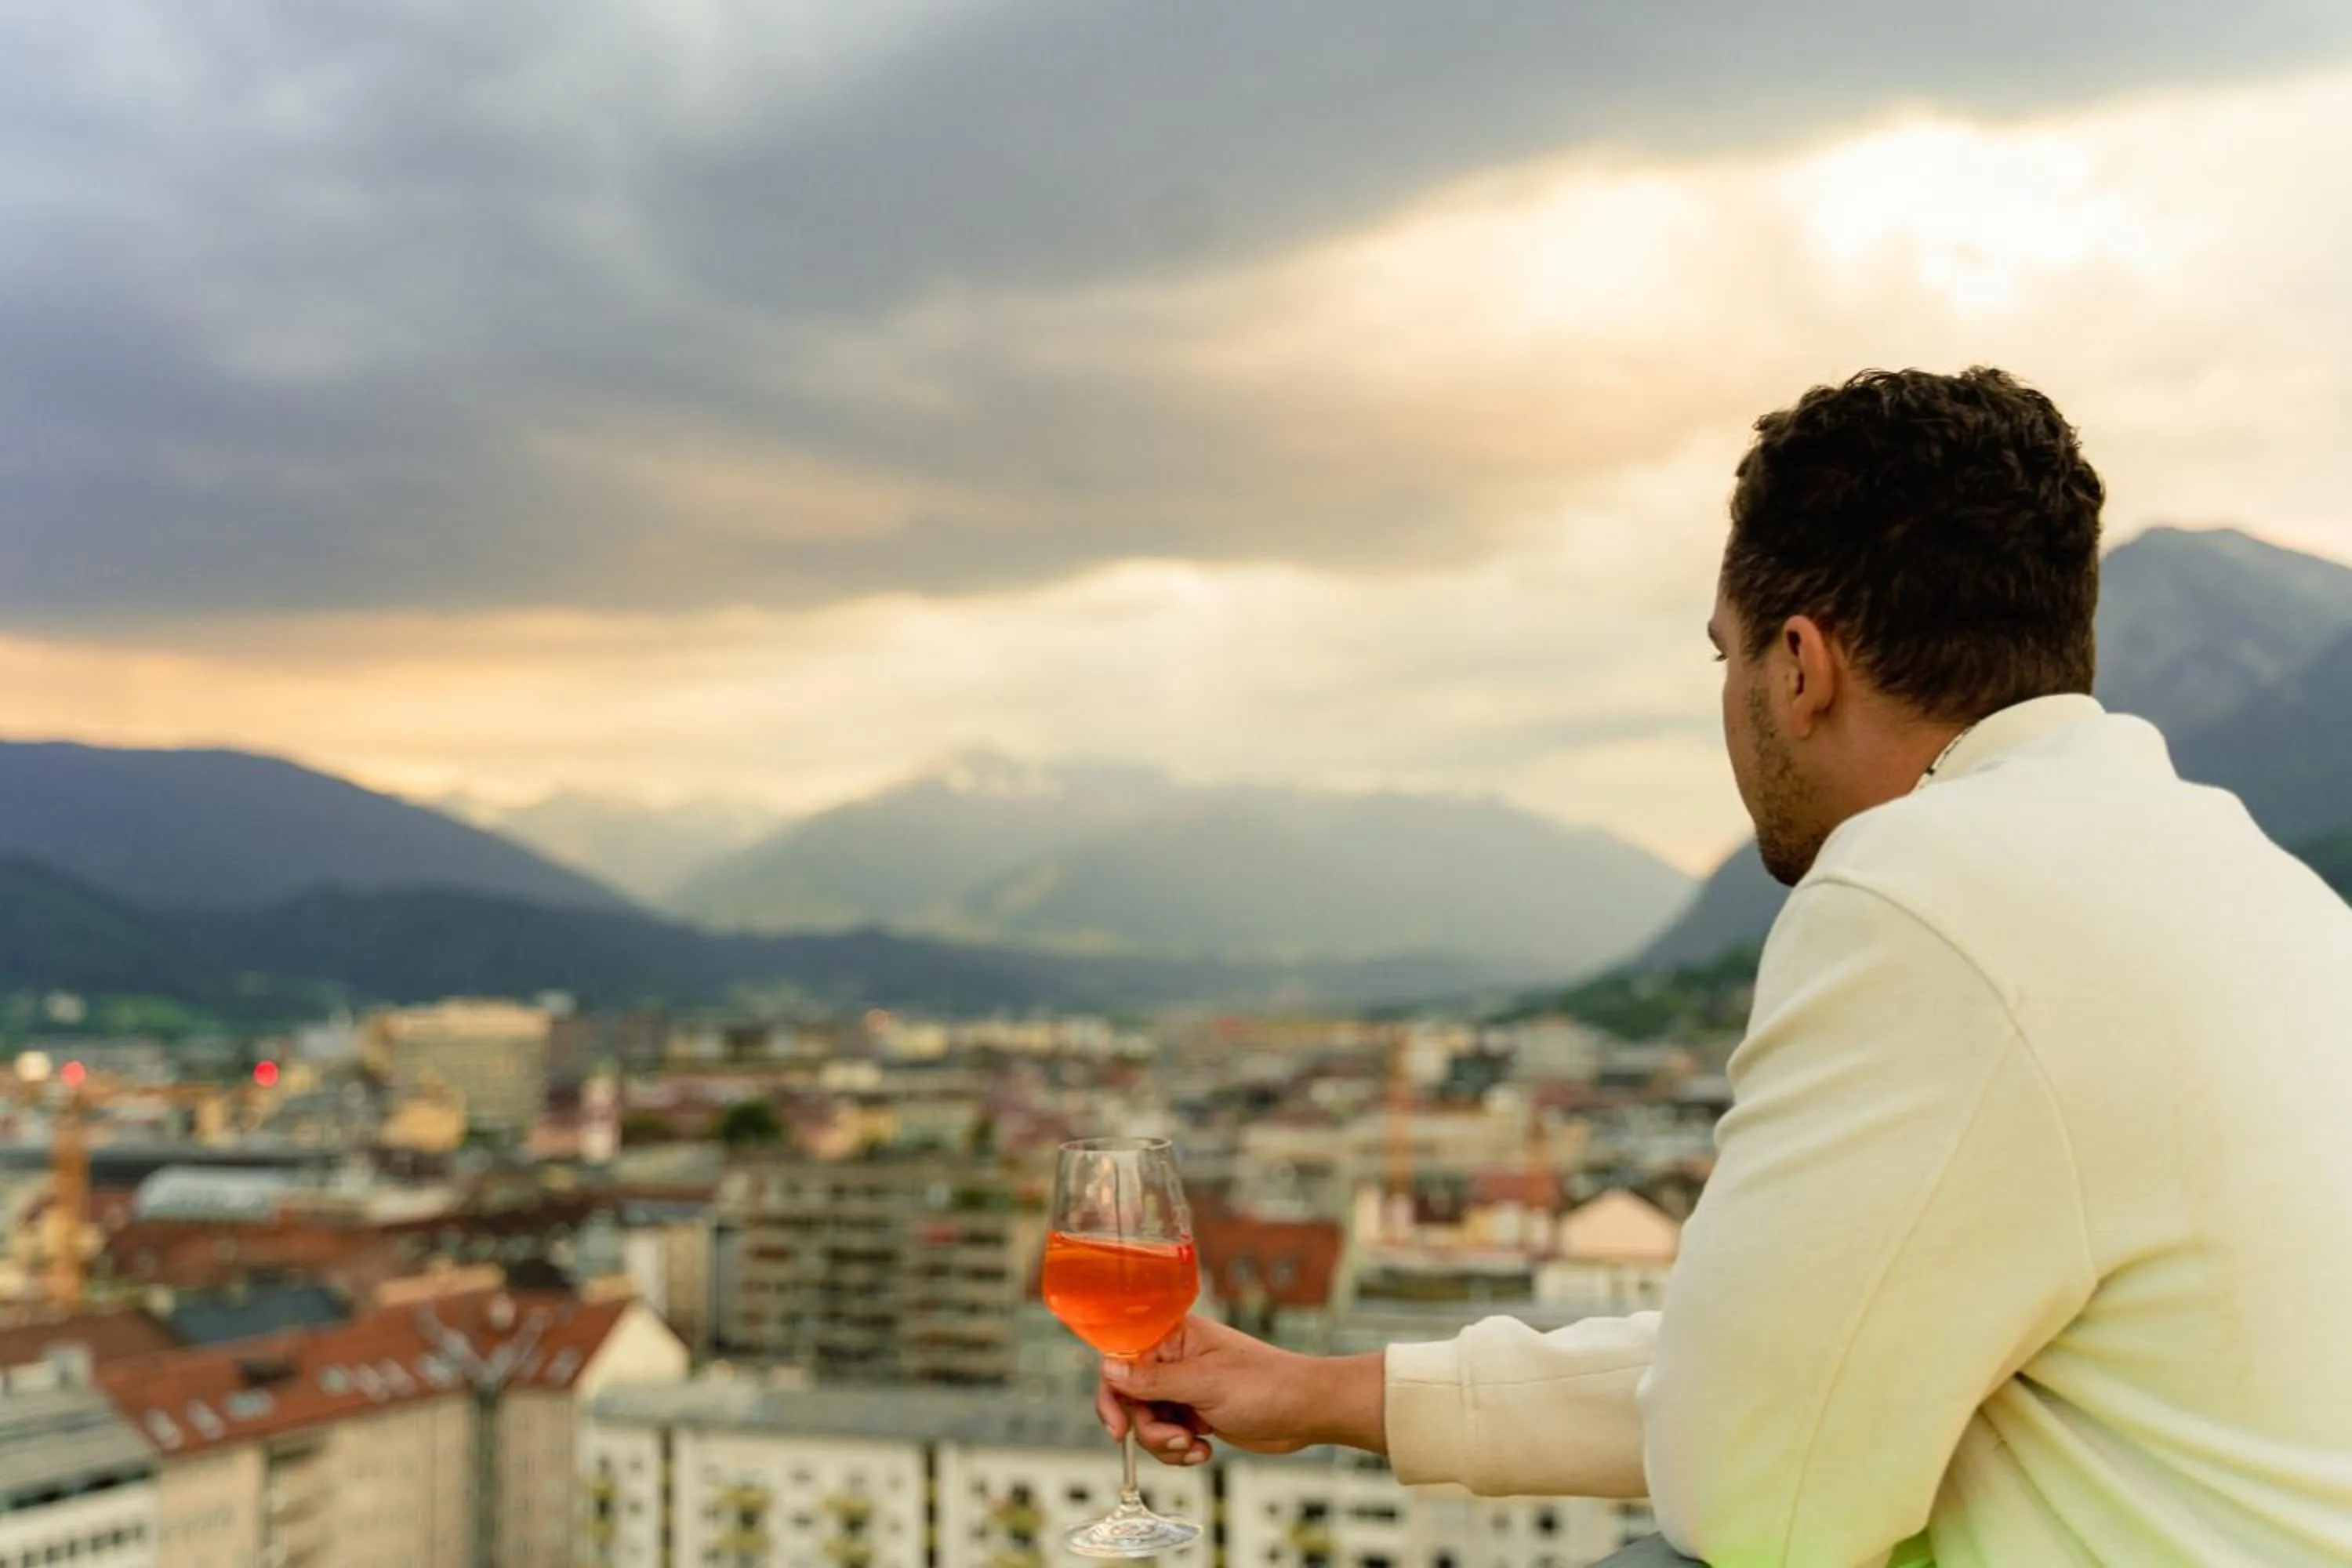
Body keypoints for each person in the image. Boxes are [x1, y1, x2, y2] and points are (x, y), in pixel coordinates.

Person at [1096, 368, 2352, 1566]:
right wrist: (1317, 1391)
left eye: (1725, 655)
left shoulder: (1919, 893)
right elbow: (1797, 1355)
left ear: (1799, 668)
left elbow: (1753, 1490)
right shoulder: (2250, 880)